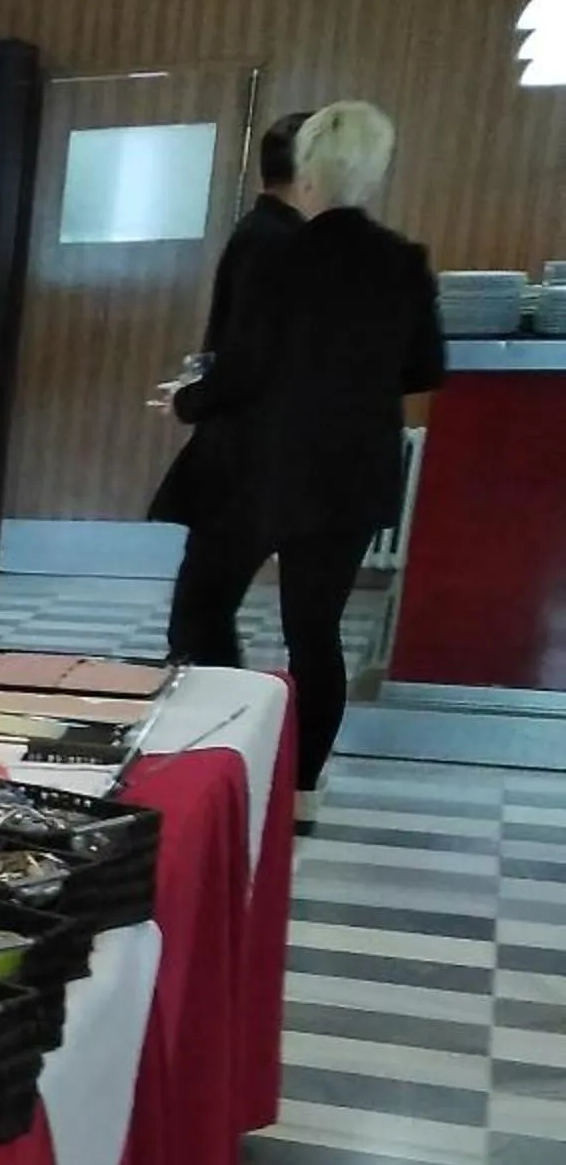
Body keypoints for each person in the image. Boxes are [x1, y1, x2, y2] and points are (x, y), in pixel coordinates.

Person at [172, 99, 443, 802]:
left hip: (266, 466)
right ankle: (301, 781)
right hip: (353, 470)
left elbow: (242, 364)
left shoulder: (276, 253)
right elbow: (423, 368)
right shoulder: (403, 261)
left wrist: (187, 402)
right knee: (314, 631)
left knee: (204, 607)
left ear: (311, 169)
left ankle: (223, 742)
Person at [153, 112, 308, 663]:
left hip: (258, 450)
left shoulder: (276, 236)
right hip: (250, 452)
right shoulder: (274, 241)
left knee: (205, 605)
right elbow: (248, 359)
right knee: (204, 609)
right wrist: (192, 399)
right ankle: (210, 731)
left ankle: (224, 723)